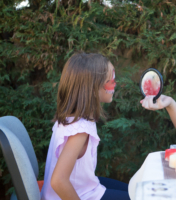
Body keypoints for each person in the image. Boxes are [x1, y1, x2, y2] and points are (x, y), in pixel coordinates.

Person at [41, 52, 130, 200]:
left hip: (83, 188)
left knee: (134, 191)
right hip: (79, 195)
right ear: (93, 87)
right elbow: (58, 181)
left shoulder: (69, 118)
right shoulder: (80, 130)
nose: (115, 84)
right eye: (111, 80)